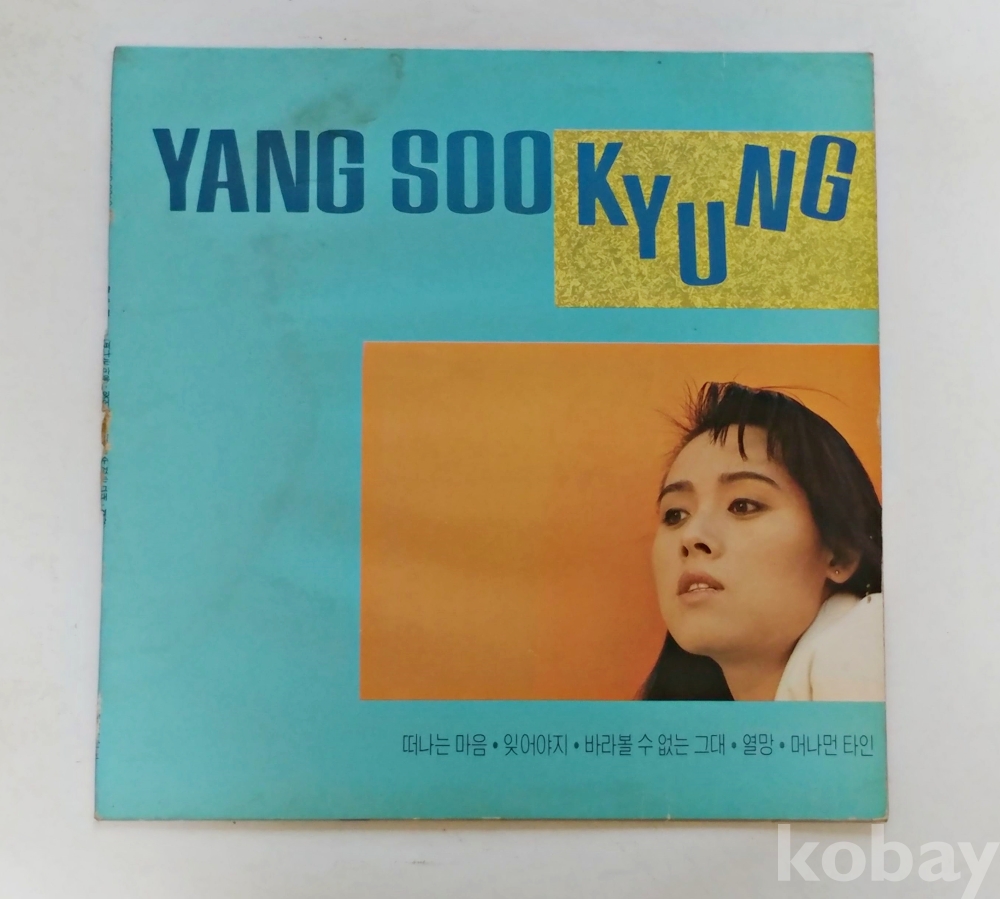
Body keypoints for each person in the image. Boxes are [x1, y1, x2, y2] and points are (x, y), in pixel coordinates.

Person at [640, 382, 883, 701]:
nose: (691, 536)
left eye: (742, 506)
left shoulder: (869, 644)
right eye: (675, 515)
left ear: (840, 553)